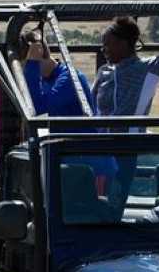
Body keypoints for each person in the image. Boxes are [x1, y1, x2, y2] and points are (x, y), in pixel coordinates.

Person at [21, 29, 116, 194]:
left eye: (25, 65)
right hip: (74, 164)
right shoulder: (48, 81)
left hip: (93, 168)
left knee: (91, 217)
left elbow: (36, 106)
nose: (25, 73)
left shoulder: (70, 79)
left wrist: (31, 65)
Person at [92, 15, 159, 123]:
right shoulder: (104, 72)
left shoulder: (149, 68)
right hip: (99, 138)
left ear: (123, 44)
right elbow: (89, 104)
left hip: (130, 138)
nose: (102, 49)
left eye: (106, 44)